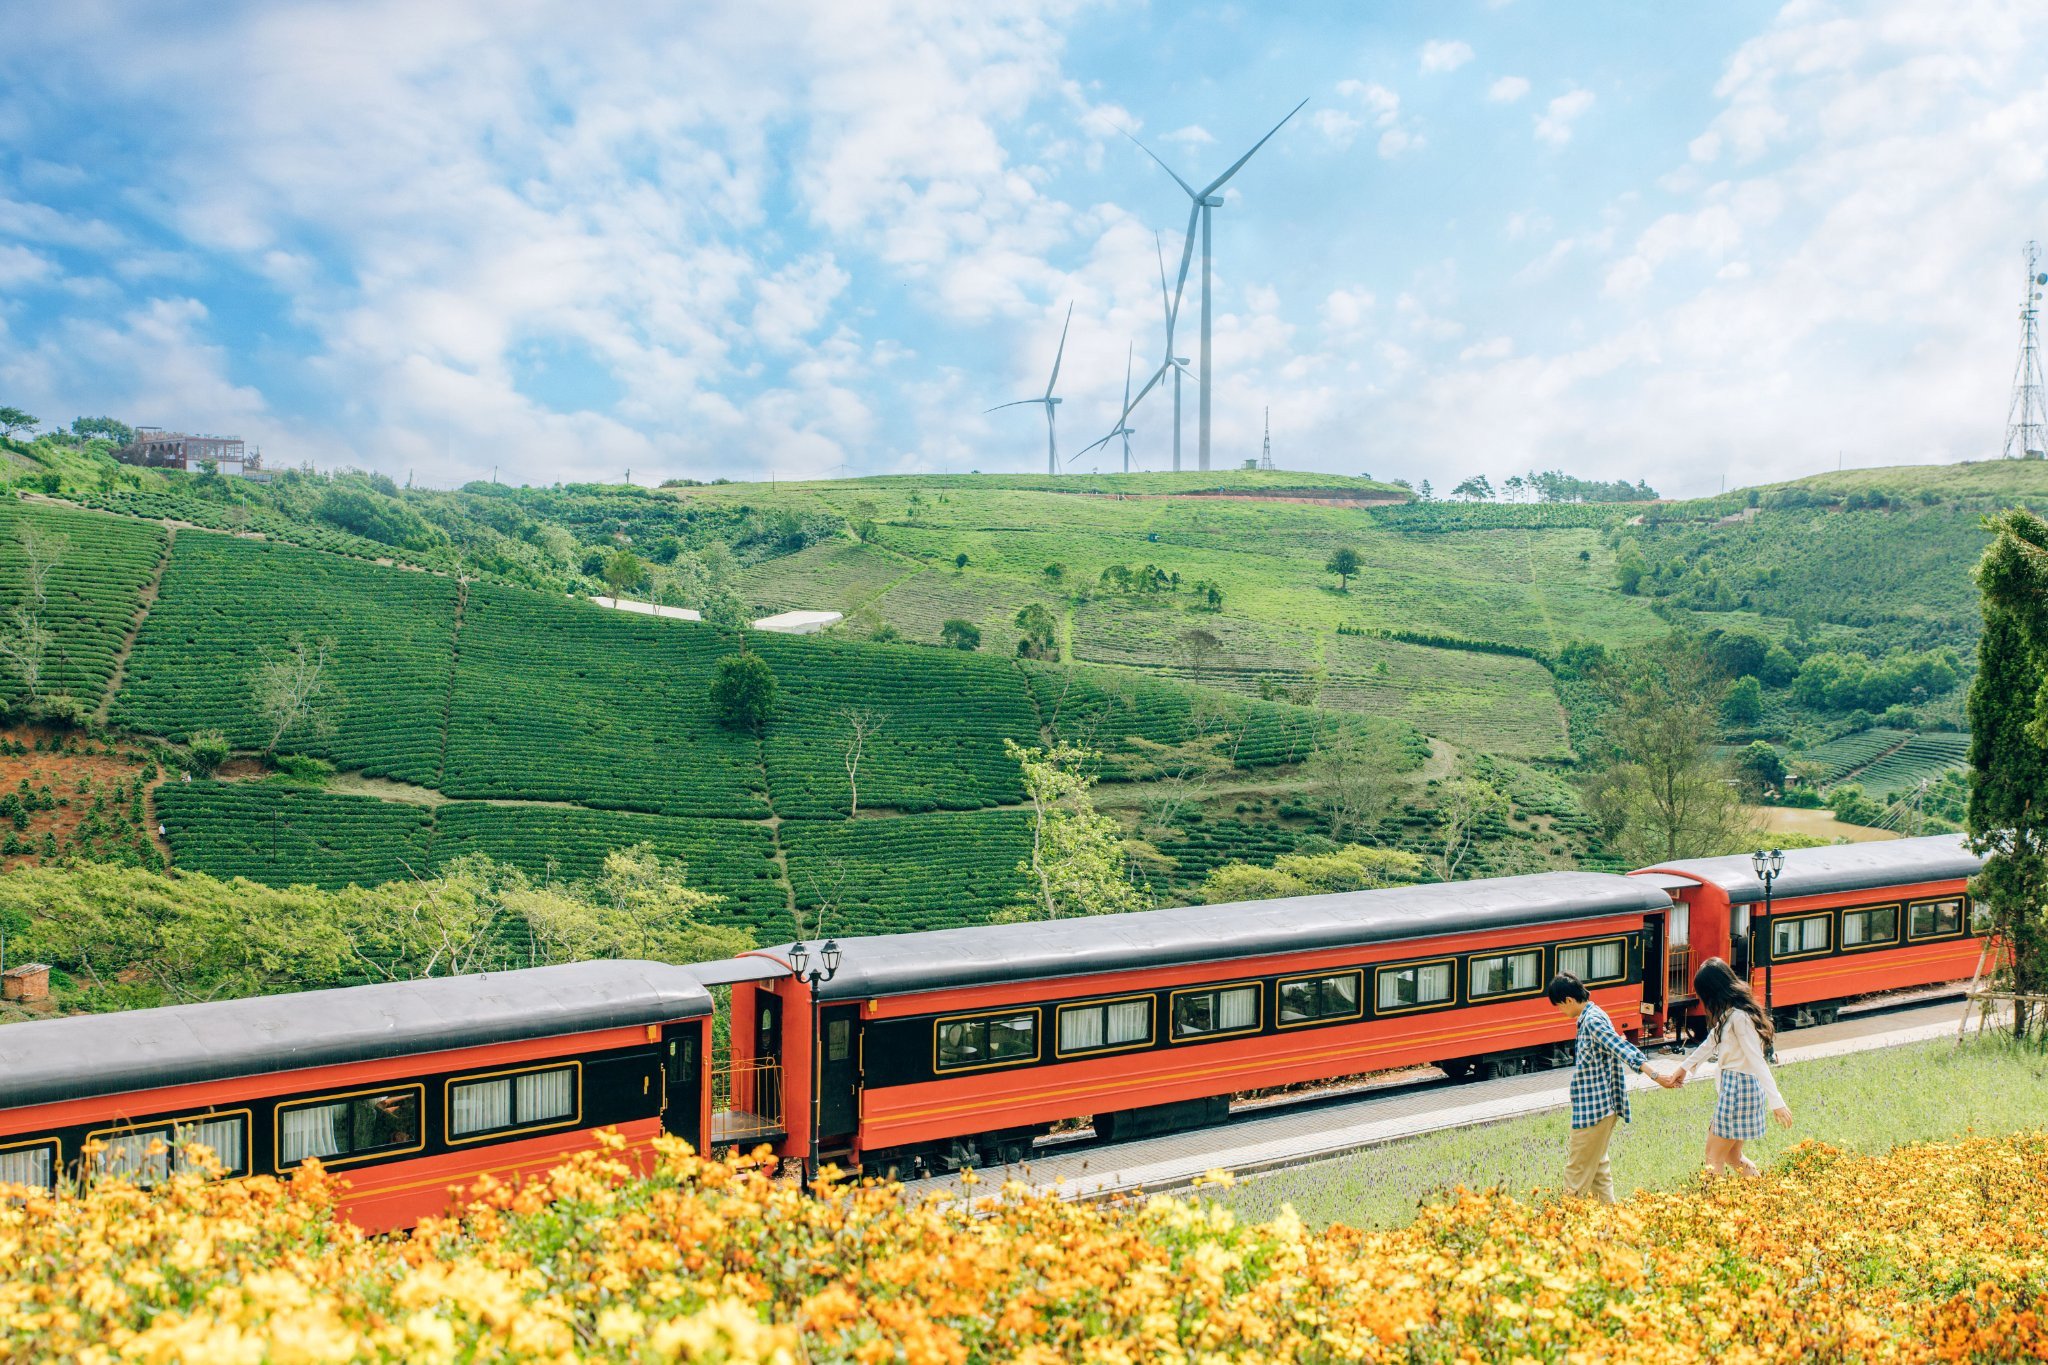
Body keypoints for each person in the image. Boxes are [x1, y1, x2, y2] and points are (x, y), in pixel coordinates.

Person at [1547, 971, 1677, 1203]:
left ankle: (1562, 1228)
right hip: (1603, 1108)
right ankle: (1612, 1227)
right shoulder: (1595, 1014)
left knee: (1576, 1173)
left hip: (1593, 1111)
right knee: (1598, 1173)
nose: (1560, 1012)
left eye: (1559, 1006)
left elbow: (1622, 1048)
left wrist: (1656, 1075)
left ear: (1568, 1000)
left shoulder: (1592, 1021)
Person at [1672, 956, 1793, 1176]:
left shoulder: (1738, 1018)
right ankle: (1760, 1193)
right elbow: (1711, 1042)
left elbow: (1757, 1060)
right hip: (1739, 1088)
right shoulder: (1732, 1014)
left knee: (1713, 1157)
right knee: (1731, 1156)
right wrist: (1683, 1068)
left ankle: (1711, 1208)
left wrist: (1777, 1102)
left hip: (1738, 1089)